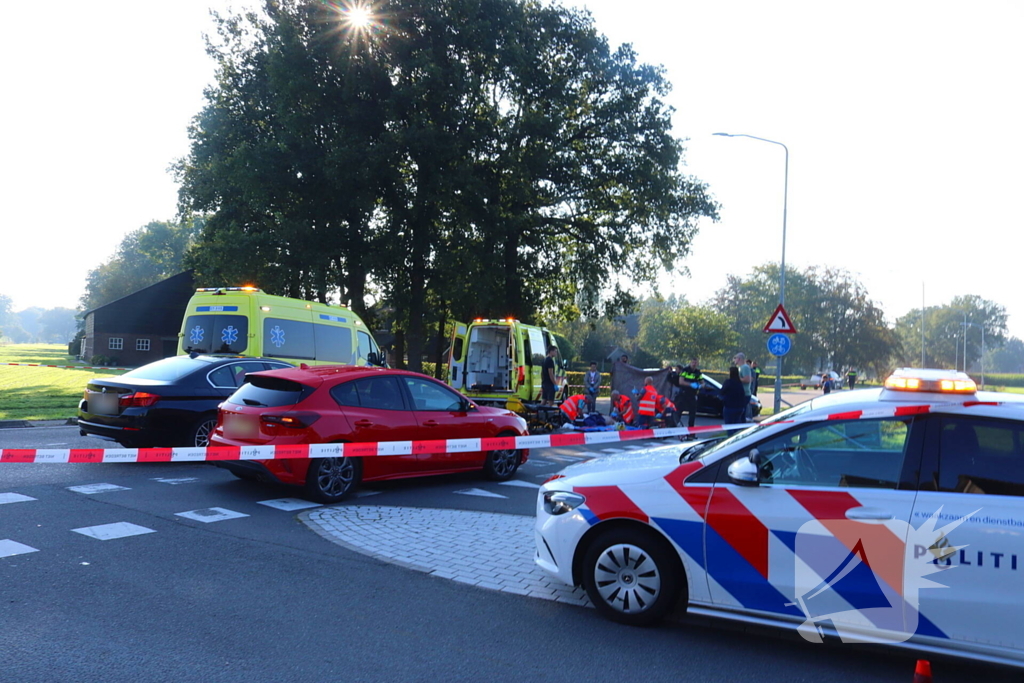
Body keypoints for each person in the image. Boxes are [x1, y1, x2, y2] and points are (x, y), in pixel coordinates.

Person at [677, 357, 704, 432]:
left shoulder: (698, 372)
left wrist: (700, 385)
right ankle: (675, 428)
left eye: (695, 363)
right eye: (693, 362)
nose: (694, 364)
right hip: (684, 394)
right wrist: (691, 384)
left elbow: (702, 382)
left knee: (692, 413)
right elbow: (681, 382)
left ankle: (691, 430)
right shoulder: (685, 370)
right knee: (679, 411)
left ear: (697, 363)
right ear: (690, 362)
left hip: (692, 394)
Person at [734, 352, 753, 421]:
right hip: (741, 393)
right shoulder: (740, 368)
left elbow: (747, 380)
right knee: (740, 414)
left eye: (735, 358)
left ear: (739, 359)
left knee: (741, 414)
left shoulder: (745, 367)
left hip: (744, 394)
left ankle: (741, 425)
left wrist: (736, 378)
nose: (734, 360)